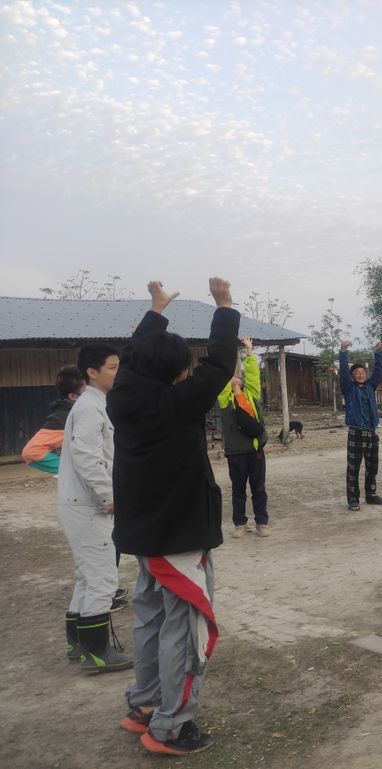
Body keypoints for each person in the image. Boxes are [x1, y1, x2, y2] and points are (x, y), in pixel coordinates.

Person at [107, 278, 238, 756]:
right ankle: (172, 727)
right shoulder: (178, 403)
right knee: (185, 629)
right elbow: (220, 364)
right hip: (177, 538)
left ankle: (144, 704)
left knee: (151, 619)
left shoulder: (121, 396)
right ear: (179, 372)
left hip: (144, 536)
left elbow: (133, 357)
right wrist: (224, 306)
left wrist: (156, 311)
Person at [57, 343, 132, 673]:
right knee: (102, 577)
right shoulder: (90, 407)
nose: (118, 372)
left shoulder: (95, 403)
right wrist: (108, 496)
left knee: (87, 577)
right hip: (89, 506)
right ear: (92, 371)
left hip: (81, 504)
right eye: (112, 367)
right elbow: (87, 457)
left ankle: (77, 642)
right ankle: (98, 653)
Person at [216, 336, 270, 538]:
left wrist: (249, 351)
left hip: (255, 450)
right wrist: (227, 353)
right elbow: (222, 375)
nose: (235, 377)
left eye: (238, 376)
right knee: (238, 490)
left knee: (259, 489)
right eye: (232, 376)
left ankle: (262, 522)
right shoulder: (225, 400)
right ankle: (240, 524)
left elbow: (253, 374)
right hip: (236, 453)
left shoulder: (252, 395)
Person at [338, 340, 382, 512]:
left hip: (372, 432)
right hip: (356, 433)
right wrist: (343, 352)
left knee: (372, 466)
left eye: (362, 372)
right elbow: (343, 372)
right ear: (352, 376)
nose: (360, 374)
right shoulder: (348, 388)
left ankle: (371, 495)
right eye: (356, 373)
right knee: (353, 468)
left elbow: (379, 371)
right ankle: (353, 499)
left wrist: (378, 352)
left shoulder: (370, 386)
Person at [22, 365, 85, 474]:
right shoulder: (63, 419)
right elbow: (31, 452)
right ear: (73, 396)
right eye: (89, 391)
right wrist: (72, 470)